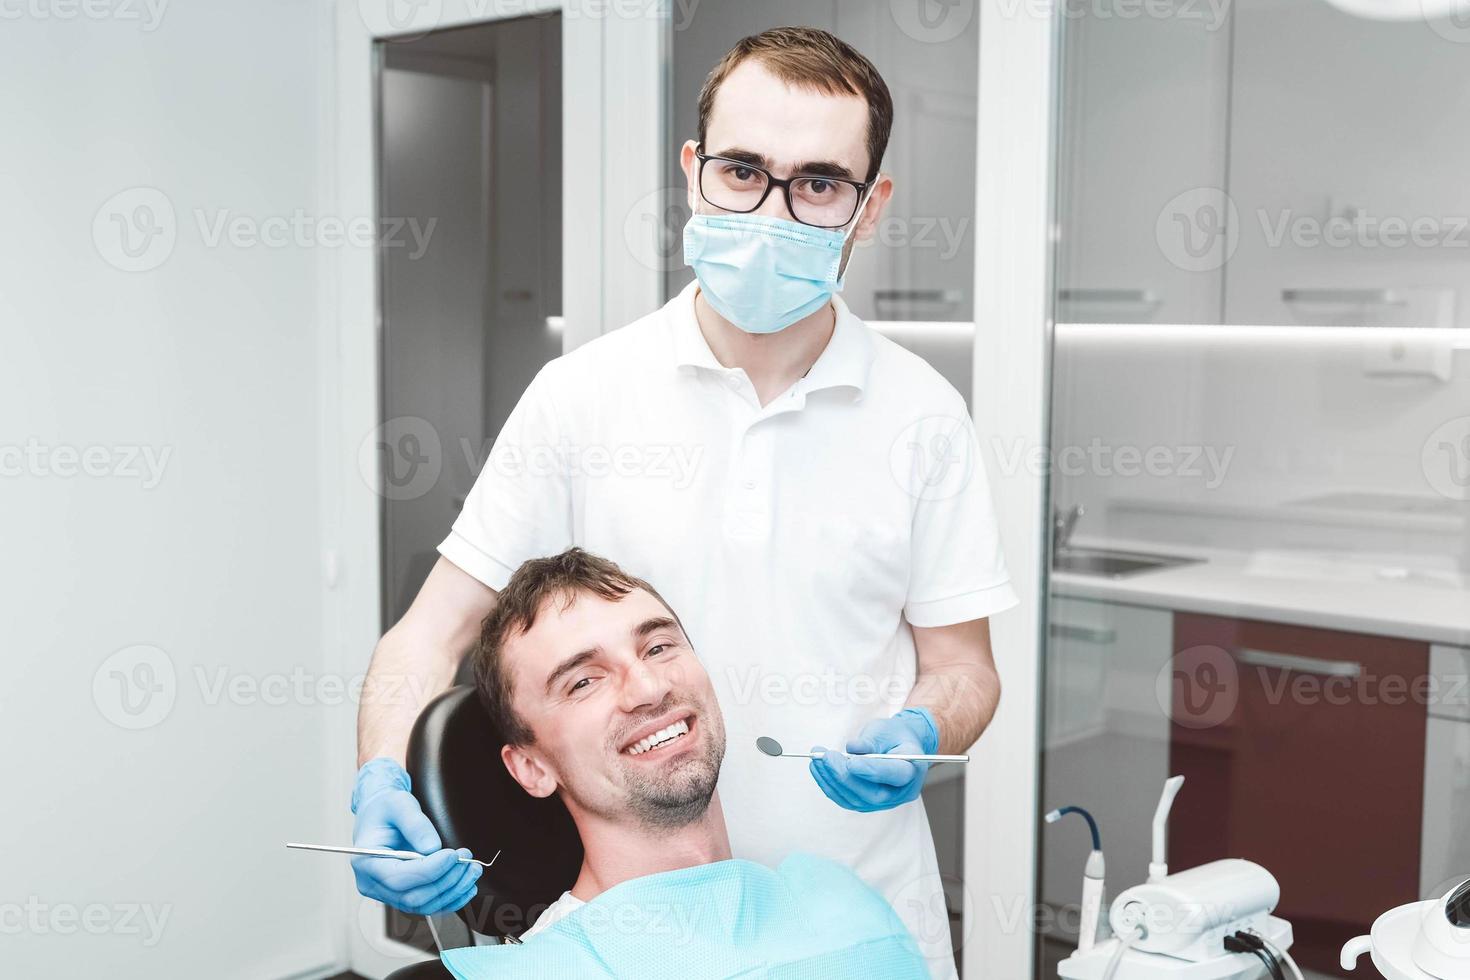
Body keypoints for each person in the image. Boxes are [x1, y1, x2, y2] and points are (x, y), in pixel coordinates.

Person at [351, 26, 1017, 977]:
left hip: (862, 922)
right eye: (744, 171)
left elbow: (966, 670)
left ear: (871, 209)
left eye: (820, 184)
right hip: (641, 935)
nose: (774, 211)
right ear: (695, 169)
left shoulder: (925, 415)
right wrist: (382, 775)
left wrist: (926, 728)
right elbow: (428, 635)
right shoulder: (583, 395)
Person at [438, 548, 929, 979]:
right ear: (532, 767)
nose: (650, 689)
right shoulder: (539, 971)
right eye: (583, 681)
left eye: (657, 647)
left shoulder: (844, 907)